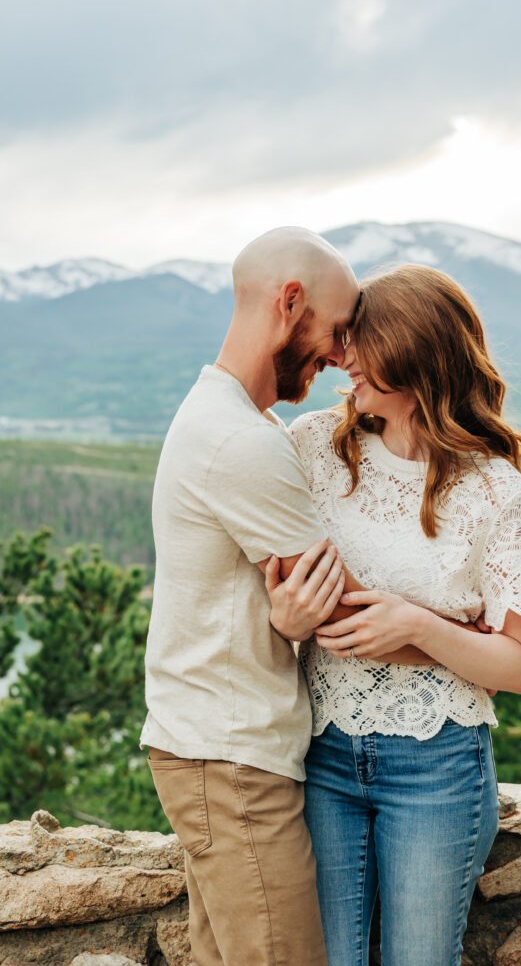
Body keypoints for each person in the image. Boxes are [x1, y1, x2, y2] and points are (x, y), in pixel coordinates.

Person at [267, 264, 521, 966]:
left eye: (361, 341)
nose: (344, 357)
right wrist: (287, 614)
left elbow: (519, 666)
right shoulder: (312, 448)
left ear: (413, 352)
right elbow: (281, 588)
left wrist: (418, 626)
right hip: (321, 753)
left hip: (438, 767)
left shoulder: (495, 493)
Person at [140, 226, 360, 966]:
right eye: (336, 331)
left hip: (211, 747)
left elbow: (305, 599)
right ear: (288, 300)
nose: (340, 355)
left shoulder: (229, 418)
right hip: (233, 761)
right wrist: (466, 618)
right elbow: (342, 603)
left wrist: (290, 619)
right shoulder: (241, 440)